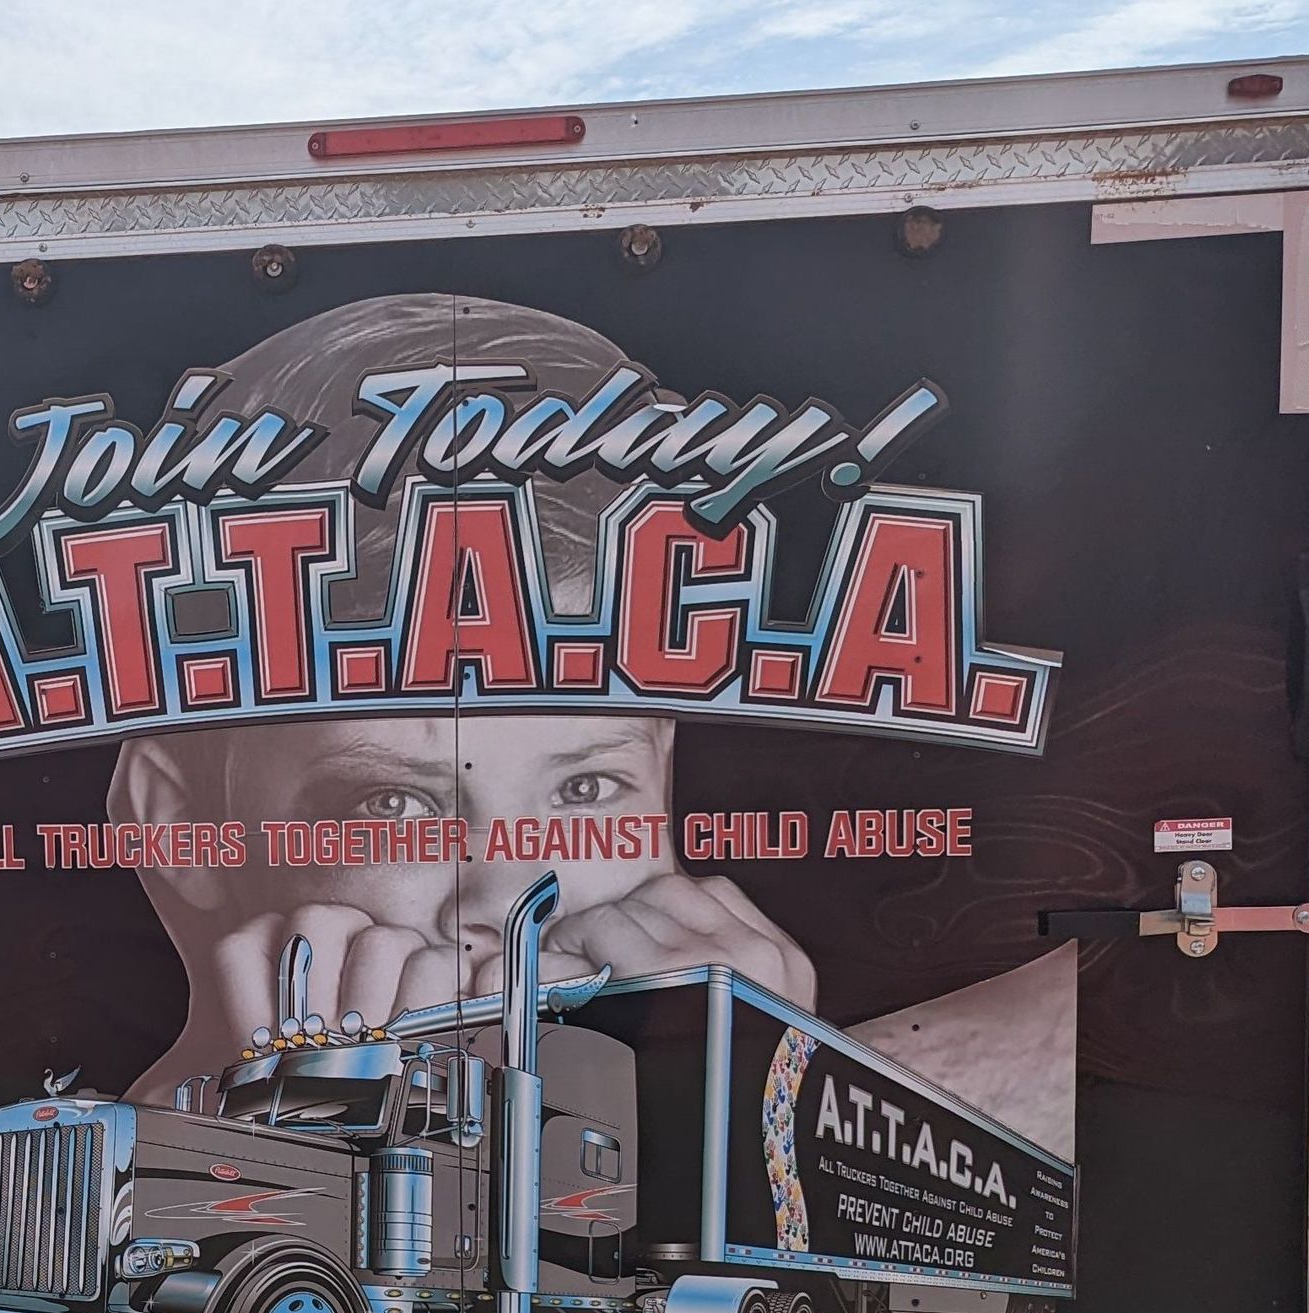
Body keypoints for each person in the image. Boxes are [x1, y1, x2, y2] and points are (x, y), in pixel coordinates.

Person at [108, 294, 815, 1103]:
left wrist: (756, 1101)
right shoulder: (64, 1173)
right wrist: (318, 1123)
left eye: (586, 788)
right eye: (393, 805)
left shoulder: (705, 1063)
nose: (514, 900)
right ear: (184, 829)